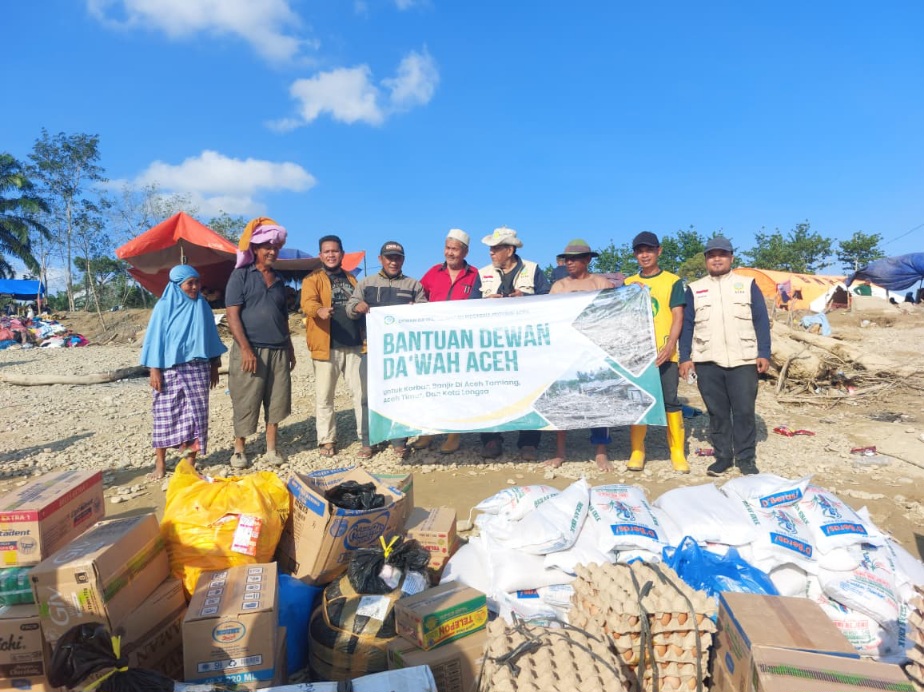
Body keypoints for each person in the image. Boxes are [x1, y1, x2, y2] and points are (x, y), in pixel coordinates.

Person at [679, 236, 771, 476]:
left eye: (722, 254)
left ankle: (746, 458)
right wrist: (685, 357)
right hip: (707, 359)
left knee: (744, 411)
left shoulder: (747, 284)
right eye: (712, 255)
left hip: (743, 359)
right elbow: (687, 325)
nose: (717, 259)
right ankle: (723, 457)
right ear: (706, 260)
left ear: (731, 257)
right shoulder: (694, 288)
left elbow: (761, 320)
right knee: (717, 412)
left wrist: (763, 352)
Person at [139, 265, 227, 479]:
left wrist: (215, 365)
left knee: (196, 416)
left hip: (198, 368)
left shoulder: (202, 305)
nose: (195, 287)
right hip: (169, 369)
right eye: (190, 283)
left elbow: (211, 336)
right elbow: (155, 339)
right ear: (177, 285)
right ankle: (160, 463)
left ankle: (190, 464)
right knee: (164, 414)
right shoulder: (164, 306)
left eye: (197, 282)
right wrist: (154, 369)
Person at [225, 217, 296, 469]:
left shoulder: (278, 280)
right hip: (251, 349)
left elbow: (283, 317)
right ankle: (239, 450)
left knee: (277, 400)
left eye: (275, 247)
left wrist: (290, 348)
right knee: (246, 398)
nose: (272, 251)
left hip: (278, 349)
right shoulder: (241, 276)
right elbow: (232, 315)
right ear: (255, 248)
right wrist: (245, 349)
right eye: (267, 247)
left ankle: (271, 448)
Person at [346, 240, 427, 459]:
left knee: (400, 395)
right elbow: (349, 308)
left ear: (403, 260)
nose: (393, 262)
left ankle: (399, 441)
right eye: (389, 258)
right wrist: (356, 306)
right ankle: (368, 442)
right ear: (380, 259)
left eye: (397, 258)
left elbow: (425, 311)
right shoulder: (365, 283)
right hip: (371, 351)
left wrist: (417, 310)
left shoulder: (413, 285)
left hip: (401, 353)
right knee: (368, 397)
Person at [478, 226, 551, 460]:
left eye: (496, 248)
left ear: (509, 250)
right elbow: (469, 306)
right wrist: (485, 303)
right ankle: (491, 439)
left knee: (530, 390)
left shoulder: (533, 269)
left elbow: (550, 300)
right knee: (489, 391)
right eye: (490, 248)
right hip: (493, 345)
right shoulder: (482, 273)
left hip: (526, 344)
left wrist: (526, 298)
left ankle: (528, 442)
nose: (491, 252)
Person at [543, 239, 613, 471]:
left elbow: (612, 314)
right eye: (566, 259)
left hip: (594, 350)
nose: (569, 262)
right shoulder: (558, 287)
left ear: (587, 260)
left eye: (574, 259)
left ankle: (601, 451)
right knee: (562, 398)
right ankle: (560, 451)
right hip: (566, 350)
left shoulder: (601, 284)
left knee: (599, 399)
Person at [624, 231, 689, 473]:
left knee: (671, 401)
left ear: (658, 251)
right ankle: (637, 451)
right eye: (640, 251)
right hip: (638, 356)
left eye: (649, 250)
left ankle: (677, 452)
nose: (645, 255)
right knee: (638, 401)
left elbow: (678, 316)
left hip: (665, 354)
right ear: (635, 255)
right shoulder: (628, 283)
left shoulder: (673, 281)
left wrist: (671, 345)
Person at [412, 229, 482, 455]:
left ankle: (453, 434)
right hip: (434, 342)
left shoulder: (475, 275)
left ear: (465, 252)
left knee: (456, 389)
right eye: (447, 248)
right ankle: (428, 432)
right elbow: (418, 296)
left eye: (455, 249)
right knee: (431, 387)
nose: (450, 253)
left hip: (461, 343)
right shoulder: (433, 272)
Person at [301, 235, 369, 459]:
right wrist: (318, 310)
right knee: (325, 396)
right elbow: (307, 303)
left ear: (342, 254)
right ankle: (327, 439)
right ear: (320, 255)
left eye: (335, 251)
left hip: (354, 345)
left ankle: (365, 437)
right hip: (325, 345)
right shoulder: (312, 279)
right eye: (327, 251)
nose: (331, 255)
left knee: (361, 394)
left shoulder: (352, 279)